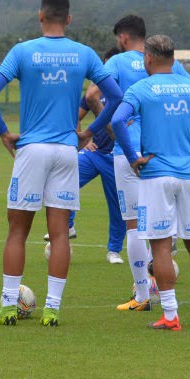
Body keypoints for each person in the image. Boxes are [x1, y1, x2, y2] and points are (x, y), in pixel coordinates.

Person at [0, 0, 122, 327]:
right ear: (69, 19)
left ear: (40, 15)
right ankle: (52, 309)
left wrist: (3, 132)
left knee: (18, 230)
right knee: (59, 233)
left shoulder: (23, 51)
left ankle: (8, 306)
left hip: (32, 149)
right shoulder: (83, 53)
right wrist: (89, 132)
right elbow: (114, 96)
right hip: (66, 151)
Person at [109, 35, 190, 330]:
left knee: (162, 246)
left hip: (156, 175)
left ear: (149, 58)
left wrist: (132, 156)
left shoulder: (142, 88)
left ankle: (170, 315)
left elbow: (117, 121)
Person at [101, 14, 190, 313]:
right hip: (166, 150)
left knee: (133, 224)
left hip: (129, 151)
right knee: (164, 217)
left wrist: (107, 125)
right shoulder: (171, 64)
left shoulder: (116, 63)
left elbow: (92, 95)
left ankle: (142, 295)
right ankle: (171, 247)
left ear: (123, 38)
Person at [60, 47, 124, 264]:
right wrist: (84, 141)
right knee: (63, 181)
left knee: (117, 206)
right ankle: (68, 226)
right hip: (94, 153)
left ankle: (114, 250)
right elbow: (74, 115)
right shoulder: (95, 92)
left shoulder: (128, 92)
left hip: (116, 158)